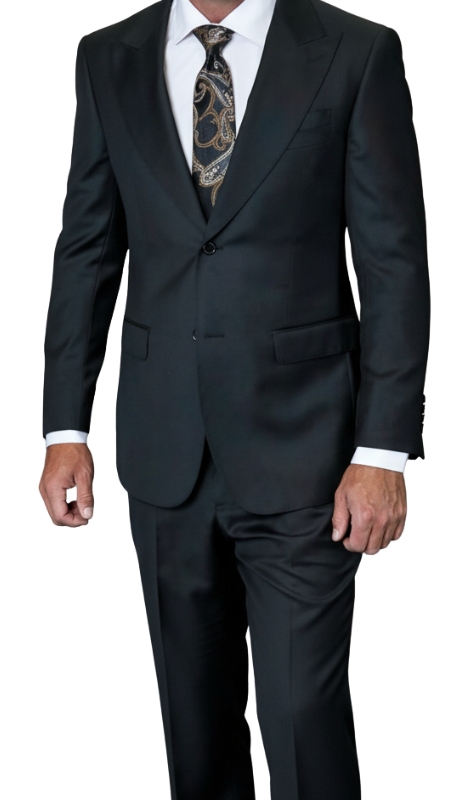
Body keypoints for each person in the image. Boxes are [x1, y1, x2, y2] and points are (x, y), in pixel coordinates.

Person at [39, 0, 430, 797]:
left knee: (303, 721)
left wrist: (383, 449)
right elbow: (87, 249)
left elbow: (393, 261)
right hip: (164, 448)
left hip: (309, 452)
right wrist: (64, 427)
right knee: (196, 735)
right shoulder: (108, 56)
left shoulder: (355, 52)